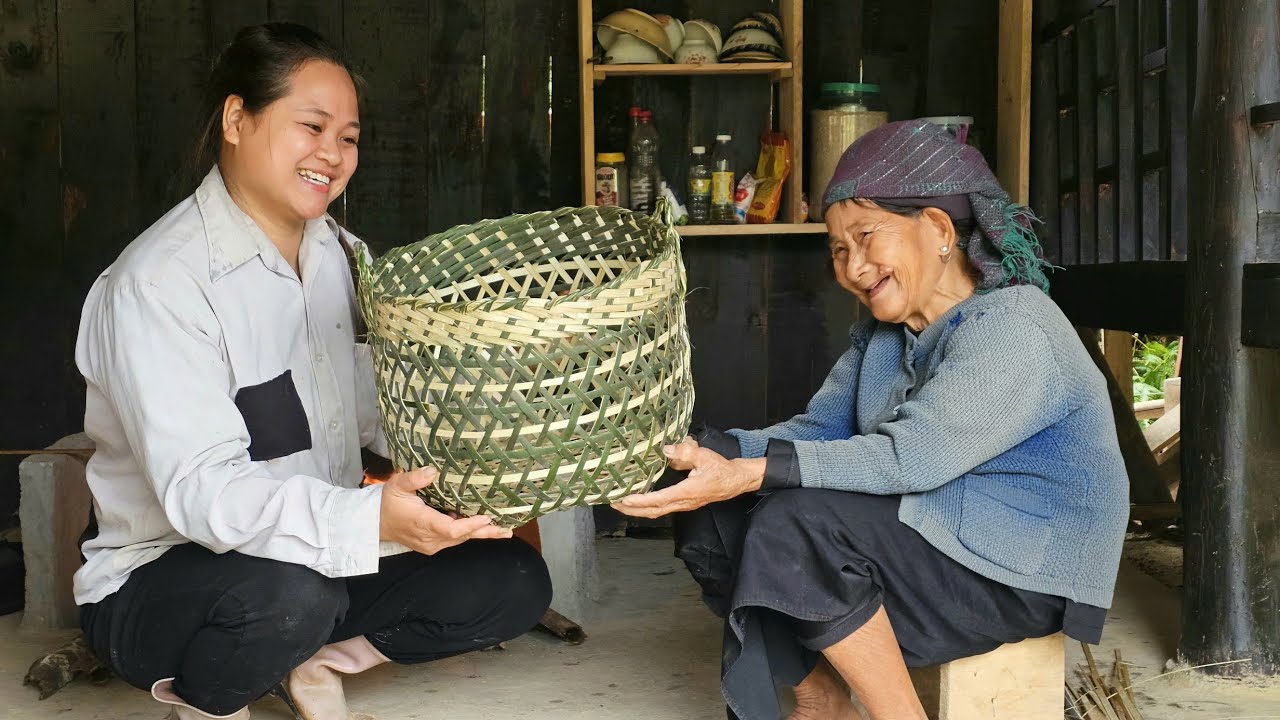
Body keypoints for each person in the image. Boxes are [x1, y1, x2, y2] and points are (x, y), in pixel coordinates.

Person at [73, 23, 551, 720]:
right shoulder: (159, 285)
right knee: (291, 597)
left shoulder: (345, 259)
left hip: (315, 553)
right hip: (163, 580)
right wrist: (366, 519)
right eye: (312, 126)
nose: (332, 154)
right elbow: (202, 496)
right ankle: (211, 697)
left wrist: (485, 459)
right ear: (238, 120)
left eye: (348, 137)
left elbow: (377, 411)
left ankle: (313, 662)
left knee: (510, 578)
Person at [614, 119, 1129, 720]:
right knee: (707, 503)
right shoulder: (883, 333)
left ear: (937, 229)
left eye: (865, 236)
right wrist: (707, 453)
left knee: (800, 520)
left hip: (1018, 567)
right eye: (838, 248)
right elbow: (819, 432)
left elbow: (914, 456)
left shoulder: (1016, 326)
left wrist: (751, 473)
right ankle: (823, 699)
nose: (853, 266)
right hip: (931, 531)